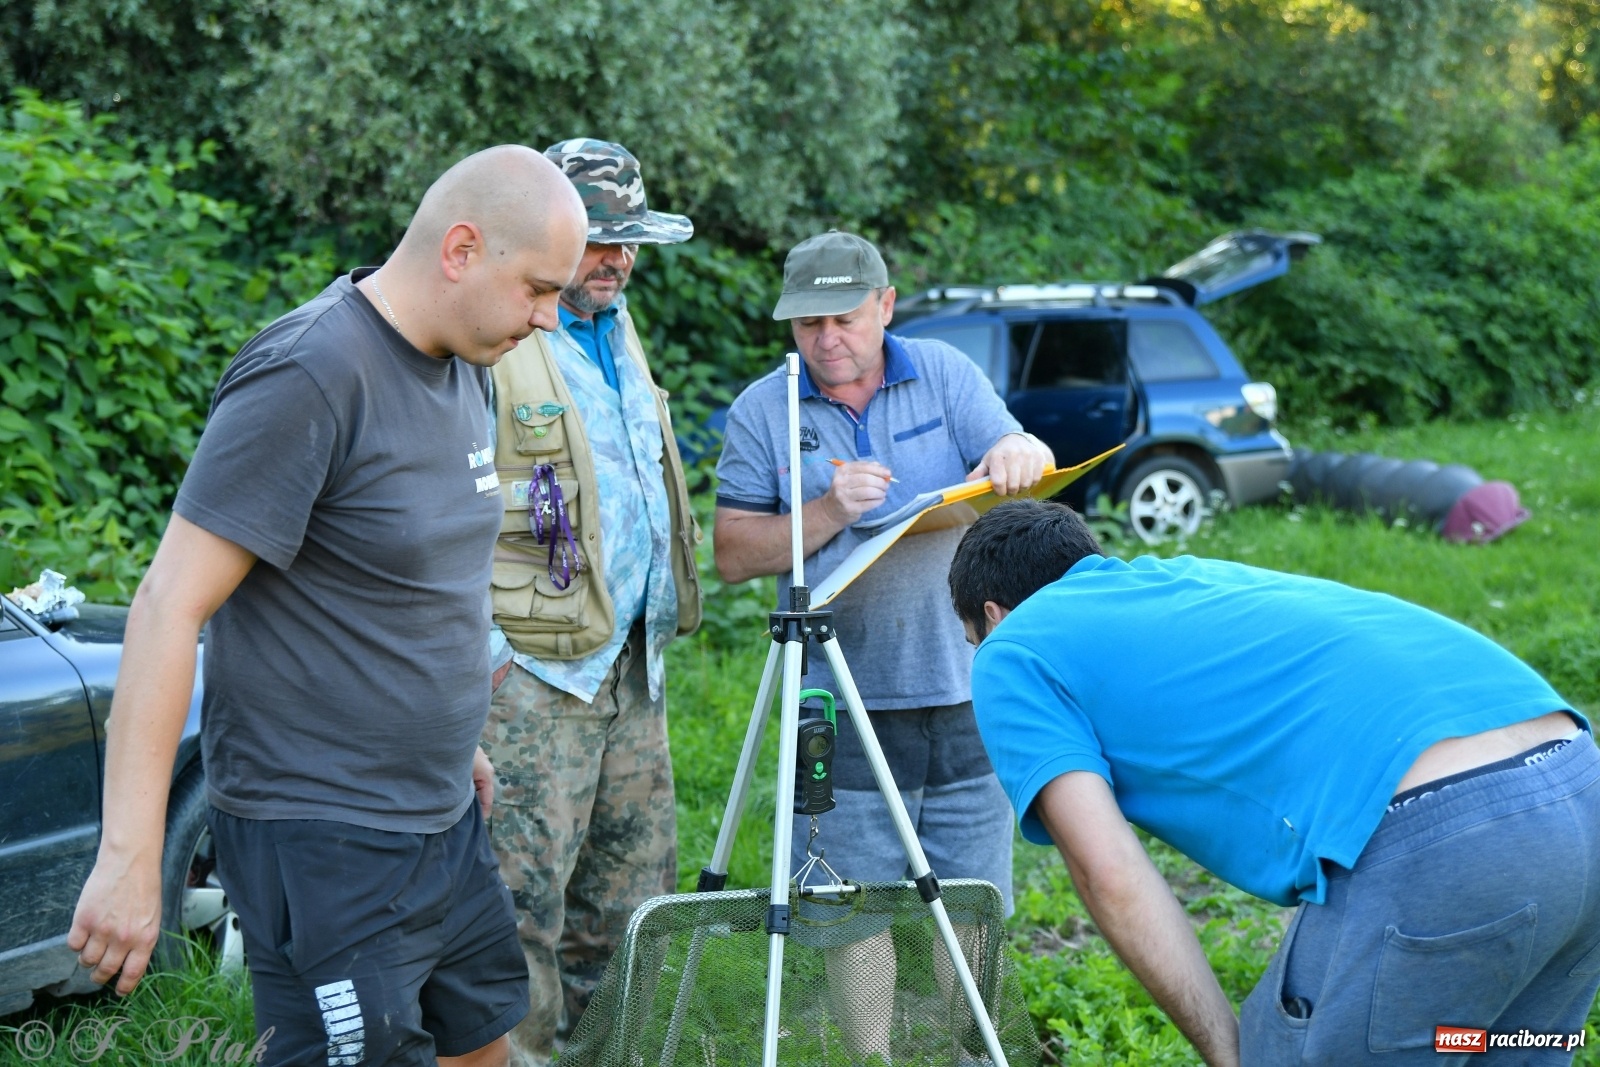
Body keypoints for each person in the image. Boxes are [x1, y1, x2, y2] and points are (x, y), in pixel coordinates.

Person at [67, 145, 588, 1067]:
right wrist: (127, 856)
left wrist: (446, 731)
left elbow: (405, 580)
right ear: (462, 249)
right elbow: (165, 606)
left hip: (439, 817)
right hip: (326, 836)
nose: (551, 320)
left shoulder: (467, 362)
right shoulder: (311, 373)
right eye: (540, 290)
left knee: (485, 1052)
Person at [947, 498, 1596, 1067]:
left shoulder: (1013, 647)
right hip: (1578, 786)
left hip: (1453, 839)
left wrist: (1236, 1055)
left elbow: (1108, 872)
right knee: (1481, 1047)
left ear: (993, 614)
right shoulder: (1192, 581)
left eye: (972, 638)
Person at [713, 229, 1054, 1056]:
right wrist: (829, 512)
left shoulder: (944, 372)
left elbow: (1026, 459)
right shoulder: (768, 406)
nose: (828, 339)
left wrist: (1019, 448)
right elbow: (730, 554)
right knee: (848, 899)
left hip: (966, 680)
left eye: (845, 318)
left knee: (972, 892)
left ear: (886, 305)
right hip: (835, 691)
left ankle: (971, 1042)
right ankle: (872, 1054)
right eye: (808, 324)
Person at [480, 138, 702, 1067]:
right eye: (598, 242)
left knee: (633, 906)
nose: (616, 260)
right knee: (520, 909)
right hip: (534, 676)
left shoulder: (619, 328)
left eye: (628, 242)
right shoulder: (497, 336)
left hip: (633, 670)